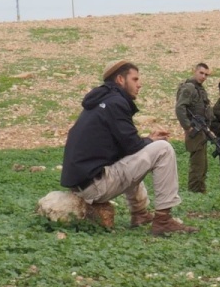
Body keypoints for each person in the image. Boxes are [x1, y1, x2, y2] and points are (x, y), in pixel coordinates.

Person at [60, 60, 197, 236]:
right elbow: (133, 146)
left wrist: (147, 140)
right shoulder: (116, 102)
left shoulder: (102, 101)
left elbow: (126, 146)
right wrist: (149, 140)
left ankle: (140, 214)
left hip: (84, 183)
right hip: (96, 185)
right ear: (120, 79)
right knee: (163, 149)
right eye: (135, 79)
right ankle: (163, 220)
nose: (140, 84)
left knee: (137, 155)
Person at [175, 62, 213, 193]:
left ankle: (200, 190)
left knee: (203, 165)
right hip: (195, 130)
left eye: (206, 74)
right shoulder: (189, 88)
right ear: (194, 71)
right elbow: (180, 108)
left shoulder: (199, 89)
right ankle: (194, 191)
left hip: (201, 130)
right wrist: (188, 127)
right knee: (197, 164)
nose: (203, 76)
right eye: (201, 73)